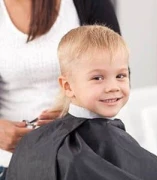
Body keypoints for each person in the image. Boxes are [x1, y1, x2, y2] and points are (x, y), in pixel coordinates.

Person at [6, 25, 157, 180]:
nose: (113, 87)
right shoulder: (89, 145)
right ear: (67, 86)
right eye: (98, 78)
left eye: (120, 75)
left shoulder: (37, 139)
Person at [0, 0, 120, 175]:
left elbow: (118, 76)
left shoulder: (89, 4)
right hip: (9, 163)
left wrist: (78, 110)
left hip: (81, 158)